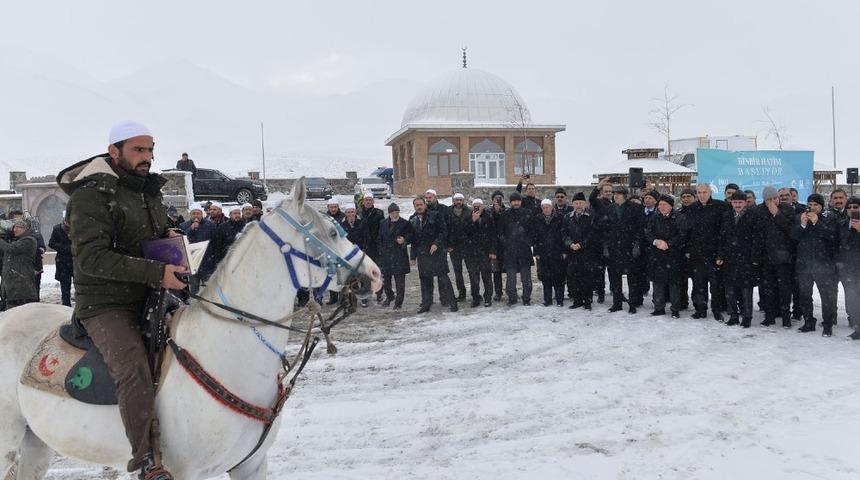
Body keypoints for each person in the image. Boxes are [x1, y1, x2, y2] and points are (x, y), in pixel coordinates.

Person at [56, 121, 183, 479]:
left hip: (151, 294)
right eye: (139, 150)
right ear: (114, 152)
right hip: (105, 304)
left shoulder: (147, 190)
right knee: (133, 369)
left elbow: (145, 237)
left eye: (151, 149)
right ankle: (144, 460)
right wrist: (157, 272)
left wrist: (168, 239)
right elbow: (92, 259)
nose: (148, 157)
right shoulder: (91, 195)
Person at [589, 181, 645, 313]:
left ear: (624, 196)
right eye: (615, 194)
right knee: (615, 277)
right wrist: (606, 246)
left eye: (618, 194)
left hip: (629, 247)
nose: (615, 196)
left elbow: (640, 227)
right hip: (614, 248)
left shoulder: (634, 208)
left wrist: (637, 244)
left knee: (632, 278)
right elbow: (593, 202)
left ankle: (632, 303)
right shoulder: (609, 208)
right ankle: (617, 303)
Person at [791, 193, 838, 336]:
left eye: (815, 205)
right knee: (805, 295)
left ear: (821, 207)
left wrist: (817, 223)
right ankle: (808, 321)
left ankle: (828, 324)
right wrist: (803, 225)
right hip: (804, 265)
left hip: (823, 265)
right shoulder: (801, 217)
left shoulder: (830, 218)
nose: (812, 208)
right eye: (809, 205)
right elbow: (793, 236)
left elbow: (832, 236)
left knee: (826, 296)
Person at [718, 191, 765, 327]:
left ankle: (747, 317)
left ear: (745, 203)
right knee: (730, 290)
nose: (737, 205)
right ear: (731, 203)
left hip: (747, 259)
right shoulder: (726, 216)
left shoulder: (753, 215)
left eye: (740, 202)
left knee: (746, 290)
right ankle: (733, 315)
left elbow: (758, 238)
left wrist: (755, 257)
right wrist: (720, 255)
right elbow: (722, 237)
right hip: (730, 258)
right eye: (735, 202)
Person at [754, 186, 796, 328]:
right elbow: (757, 235)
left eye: (774, 198)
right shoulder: (759, 211)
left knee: (784, 289)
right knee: (768, 289)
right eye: (768, 200)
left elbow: (790, 229)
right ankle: (769, 316)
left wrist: (776, 213)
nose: (772, 202)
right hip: (766, 259)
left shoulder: (787, 209)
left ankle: (786, 317)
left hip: (783, 258)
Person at [686, 183, 728, 320]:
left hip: (714, 254)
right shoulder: (692, 208)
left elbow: (724, 232)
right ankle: (700, 309)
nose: (702, 195)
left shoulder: (720, 206)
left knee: (716, 286)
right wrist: (688, 250)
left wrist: (721, 253)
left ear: (710, 192)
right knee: (699, 285)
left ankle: (717, 310)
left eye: (704, 192)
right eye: (699, 192)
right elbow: (688, 231)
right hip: (697, 254)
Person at [409, 197, 457, 313]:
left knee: (443, 279)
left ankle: (452, 303)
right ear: (414, 206)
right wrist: (413, 257)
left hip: (437, 253)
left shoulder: (435, 215)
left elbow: (443, 231)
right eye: (417, 205)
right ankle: (426, 304)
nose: (419, 207)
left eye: (421, 204)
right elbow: (413, 240)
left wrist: (436, 243)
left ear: (425, 205)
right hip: (423, 255)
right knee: (425, 281)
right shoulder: (412, 219)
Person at [645, 195, 685, 318]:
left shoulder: (679, 217)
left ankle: (675, 309)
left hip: (673, 255)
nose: (662, 207)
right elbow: (648, 233)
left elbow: (682, 234)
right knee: (658, 283)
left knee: (674, 284)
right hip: (657, 255)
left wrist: (669, 243)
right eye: (660, 204)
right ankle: (659, 308)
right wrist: (656, 241)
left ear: (671, 206)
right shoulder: (655, 217)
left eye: (665, 205)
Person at [496, 192, 535, 306]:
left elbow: (532, 231)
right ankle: (512, 298)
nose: (516, 203)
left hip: (524, 250)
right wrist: (507, 243)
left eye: (518, 200)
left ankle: (526, 298)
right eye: (514, 201)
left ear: (521, 201)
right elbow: (500, 232)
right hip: (510, 251)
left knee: (526, 278)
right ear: (510, 202)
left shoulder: (528, 213)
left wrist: (527, 241)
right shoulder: (505, 215)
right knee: (511, 278)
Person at [563, 192, 599, 309]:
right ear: (573, 204)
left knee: (587, 278)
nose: (578, 205)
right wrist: (570, 244)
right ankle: (577, 300)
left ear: (585, 203)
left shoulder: (591, 216)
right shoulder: (567, 217)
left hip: (586, 252)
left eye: (580, 203)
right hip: (572, 252)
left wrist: (581, 244)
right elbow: (564, 233)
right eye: (576, 203)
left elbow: (592, 234)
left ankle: (588, 301)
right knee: (574, 278)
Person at [377, 203, 412, 309]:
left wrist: (404, 240)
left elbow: (411, 235)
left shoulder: (405, 223)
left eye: (397, 213)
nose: (395, 215)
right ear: (389, 213)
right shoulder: (383, 223)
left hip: (399, 256)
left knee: (400, 282)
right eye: (393, 213)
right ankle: (390, 296)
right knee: (386, 281)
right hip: (386, 256)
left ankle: (398, 302)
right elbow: (379, 238)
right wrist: (381, 250)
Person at [0, 219, 39, 309]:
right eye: (14, 227)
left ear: (26, 229)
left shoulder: (29, 240)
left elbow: (11, 249)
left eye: (19, 227)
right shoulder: (14, 240)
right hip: (12, 289)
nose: (15, 230)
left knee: (24, 317)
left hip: (22, 289)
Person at [463, 198, 495, 307]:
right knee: (474, 277)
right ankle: (475, 298)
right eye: (475, 206)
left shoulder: (488, 217)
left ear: (483, 207)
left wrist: (492, 250)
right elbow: (464, 233)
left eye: (479, 206)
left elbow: (492, 236)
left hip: (485, 252)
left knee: (486, 276)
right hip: (472, 253)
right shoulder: (468, 218)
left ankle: (488, 297)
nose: (477, 208)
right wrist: (473, 221)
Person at [534, 199, 566, 307]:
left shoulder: (560, 218)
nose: (546, 209)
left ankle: (559, 299)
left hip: (557, 252)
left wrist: (564, 251)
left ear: (552, 207)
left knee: (559, 277)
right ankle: (547, 299)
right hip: (543, 252)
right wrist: (537, 251)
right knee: (546, 277)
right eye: (543, 208)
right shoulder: (538, 219)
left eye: (547, 207)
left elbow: (564, 235)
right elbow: (536, 237)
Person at [838, 196, 860, 340]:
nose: (852, 210)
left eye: (856, 207)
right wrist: (853, 231)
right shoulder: (841, 224)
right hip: (849, 268)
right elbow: (843, 244)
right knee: (852, 300)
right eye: (849, 207)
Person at [359, 193, 385, 304]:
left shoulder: (379, 213)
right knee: (364, 274)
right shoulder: (358, 213)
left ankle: (379, 294)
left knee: (377, 273)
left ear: (373, 201)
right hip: (363, 247)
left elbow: (382, 230)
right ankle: (365, 297)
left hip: (375, 247)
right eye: (366, 200)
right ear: (363, 201)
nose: (368, 202)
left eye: (370, 200)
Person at [208, 205, 247, 274]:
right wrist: (218, 261)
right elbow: (218, 245)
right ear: (230, 215)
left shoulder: (245, 226)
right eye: (235, 213)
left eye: (239, 213)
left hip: (242, 259)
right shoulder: (222, 227)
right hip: (226, 259)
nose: (237, 215)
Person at [447, 193, 471, 301]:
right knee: (458, 272)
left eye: (460, 200)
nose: (458, 202)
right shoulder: (448, 212)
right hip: (454, 247)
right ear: (453, 201)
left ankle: (475, 293)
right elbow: (445, 229)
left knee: (472, 271)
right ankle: (462, 293)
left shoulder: (469, 211)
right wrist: (448, 244)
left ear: (463, 201)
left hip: (467, 246)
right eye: (456, 200)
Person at [49, 217, 74, 306]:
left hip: (76, 260)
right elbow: (51, 243)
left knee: (80, 285)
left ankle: (80, 305)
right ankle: (66, 305)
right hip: (63, 261)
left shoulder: (78, 228)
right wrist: (65, 248)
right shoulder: (57, 229)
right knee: (65, 286)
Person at [489, 190, 506, 301]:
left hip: (506, 245)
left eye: (500, 198)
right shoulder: (488, 212)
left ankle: (511, 290)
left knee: (510, 269)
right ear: (493, 200)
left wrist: (501, 212)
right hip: (494, 246)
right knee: (496, 271)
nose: (498, 200)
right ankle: (498, 292)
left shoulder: (507, 211)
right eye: (496, 198)